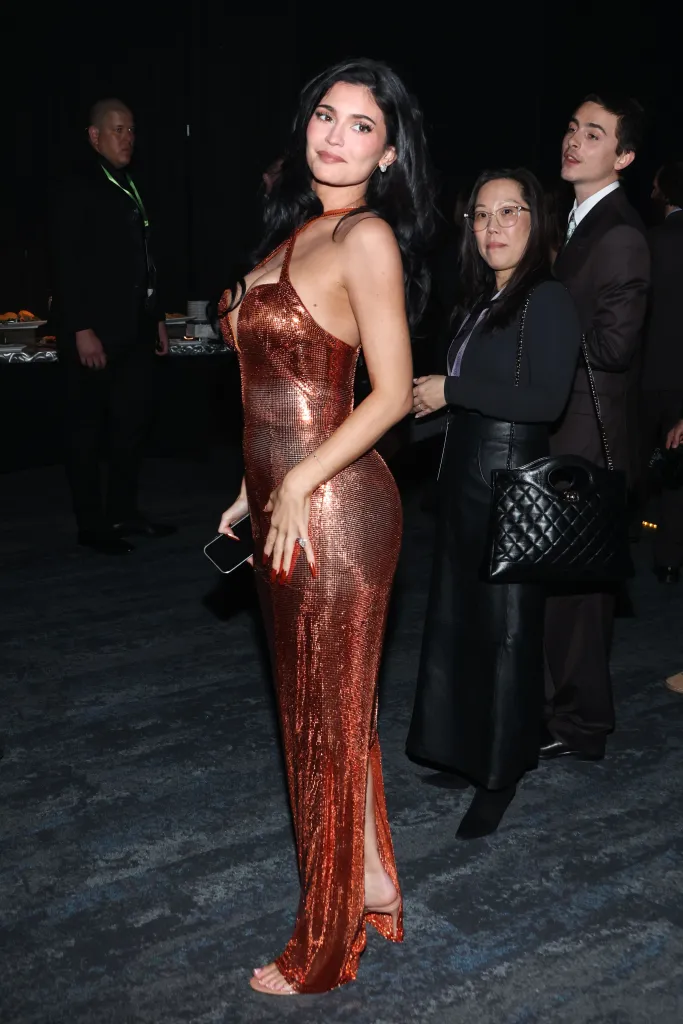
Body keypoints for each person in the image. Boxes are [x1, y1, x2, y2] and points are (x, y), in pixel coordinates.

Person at [217, 58, 434, 995]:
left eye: (360, 127)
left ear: (389, 154)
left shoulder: (366, 237)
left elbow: (389, 393)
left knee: (322, 725)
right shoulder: (295, 229)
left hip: (339, 505)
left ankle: (324, 942)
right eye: (325, 116)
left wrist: (297, 478)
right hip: (286, 496)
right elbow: (276, 393)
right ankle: (372, 877)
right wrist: (250, 484)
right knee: (327, 718)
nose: (335, 135)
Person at [405, 168, 582, 839]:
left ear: (536, 221)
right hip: (465, 479)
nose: (493, 227)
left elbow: (544, 403)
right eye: (480, 215)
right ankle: (460, 750)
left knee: (506, 632)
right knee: (459, 623)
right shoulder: (484, 299)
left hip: (511, 483)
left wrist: (451, 391)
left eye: (509, 212)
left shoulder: (547, 298)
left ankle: (500, 773)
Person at [542, 94, 650, 761]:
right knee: (560, 591)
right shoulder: (581, 223)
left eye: (592, 133)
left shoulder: (619, 234)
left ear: (624, 156)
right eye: (570, 127)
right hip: (565, 432)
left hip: (587, 439)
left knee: (577, 599)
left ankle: (579, 727)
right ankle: (562, 715)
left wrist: (534, 328)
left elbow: (613, 346)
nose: (572, 140)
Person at [52, 98, 175, 555]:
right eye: (119, 130)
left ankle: (123, 510)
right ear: (94, 136)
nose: (128, 139)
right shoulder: (78, 186)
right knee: (86, 429)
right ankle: (92, 524)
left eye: (132, 130)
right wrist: (81, 327)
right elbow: (64, 262)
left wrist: (157, 317)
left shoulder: (129, 183)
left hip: (135, 330)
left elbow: (144, 261)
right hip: (95, 333)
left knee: (131, 424)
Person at [639, 161, 683, 584]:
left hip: (645, 371)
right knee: (677, 472)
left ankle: (610, 553)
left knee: (628, 464)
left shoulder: (649, 244)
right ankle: (669, 558)